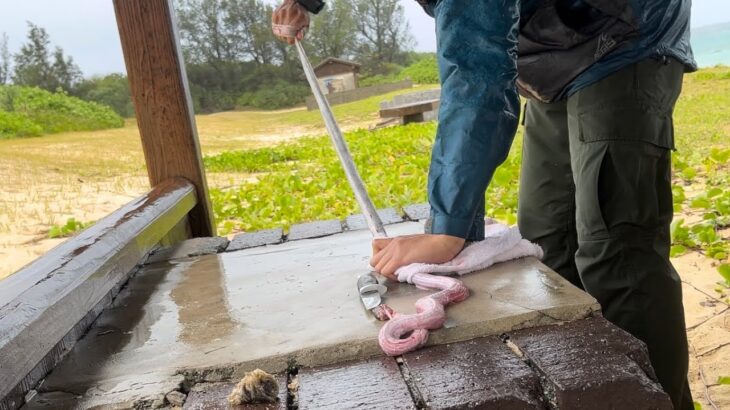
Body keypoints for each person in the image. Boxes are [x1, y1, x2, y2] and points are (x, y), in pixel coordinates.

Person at [273, 0, 696, 408]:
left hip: (623, 35)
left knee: (615, 253)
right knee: (547, 243)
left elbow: (477, 69)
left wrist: (446, 229)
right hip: (552, 55)